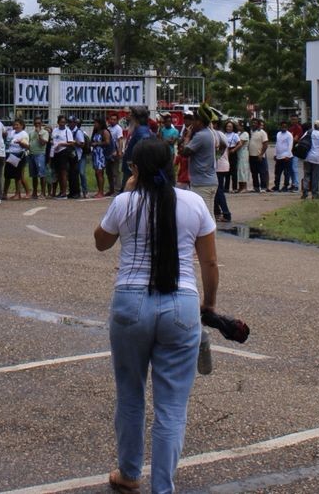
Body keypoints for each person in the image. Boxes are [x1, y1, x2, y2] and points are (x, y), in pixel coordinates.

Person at [93, 133, 219, 494]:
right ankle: (163, 486)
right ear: (172, 165)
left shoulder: (125, 202)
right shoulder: (194, 203)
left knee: (131, 393)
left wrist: (128, 189)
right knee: (172, 404)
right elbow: (209, 261)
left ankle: (129, 473)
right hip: (181, 302)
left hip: (130, 302)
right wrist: (208, 306)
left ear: (135, 169)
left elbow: (101, 242)